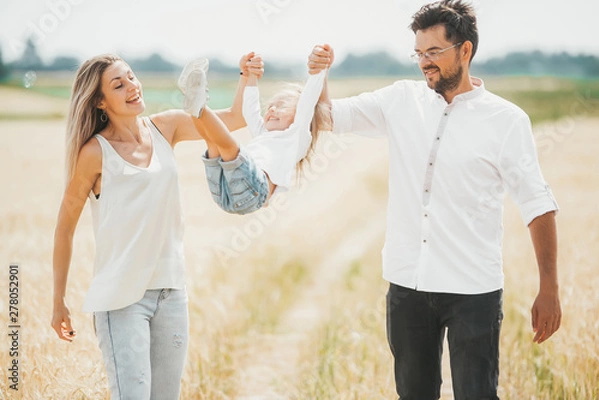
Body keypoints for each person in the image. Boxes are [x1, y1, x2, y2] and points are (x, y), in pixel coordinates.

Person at [307, 2, 561, 399]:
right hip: (408, 284)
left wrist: (549, 289)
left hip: (473, 289)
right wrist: (319, 74)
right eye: (419, 53)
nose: (424, 63)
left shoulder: (507, 121)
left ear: (465, 51)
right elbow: (326, 116)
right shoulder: (400, 101)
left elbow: (537, 205)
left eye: (434, 53)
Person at [50, 52, 262, 399]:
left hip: (171, 293)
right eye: (119, 85)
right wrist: (58, 300)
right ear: (101, 102)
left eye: (131, 77)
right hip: (121, 301)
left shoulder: (166, 127)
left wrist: (247, 75)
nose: (132, 87)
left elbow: (235, 119)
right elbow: (64, 227)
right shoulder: (94, 153)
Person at [180, 50, 331, 215]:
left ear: (299, 116)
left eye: (281, 106)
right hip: (224, 193)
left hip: (254, 191)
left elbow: (308, 101)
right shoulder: (263, 134)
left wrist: (319, 70)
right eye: (271, 105)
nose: (272, 109)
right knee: (212, 144)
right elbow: (250, 110)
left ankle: (200, 104)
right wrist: (250, 76)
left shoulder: (296, 135)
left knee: (230, 149)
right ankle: (193, 100)